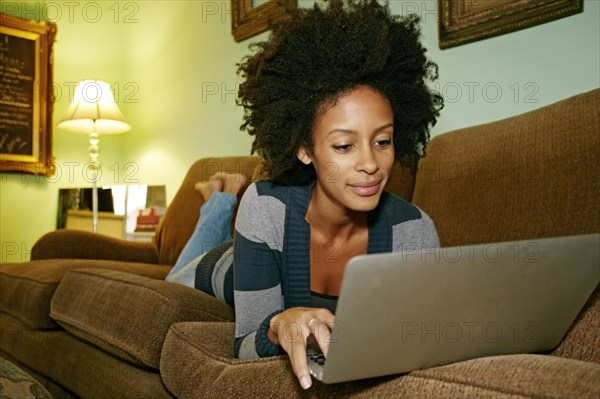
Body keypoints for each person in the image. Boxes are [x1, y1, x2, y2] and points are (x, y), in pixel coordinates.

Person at [166, 0, 443, 390]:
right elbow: (245, 340)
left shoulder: (414, 231)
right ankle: (219, 201)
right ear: (305, 149)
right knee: (173, 277)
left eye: (383, 141)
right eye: (344, 146)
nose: (371, 163)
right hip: (224, 266)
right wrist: (278, 323)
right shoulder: (265, 207)